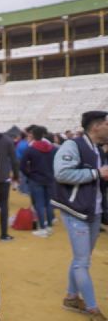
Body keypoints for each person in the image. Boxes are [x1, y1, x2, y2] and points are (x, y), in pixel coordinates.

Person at [52, 111, 108, 320]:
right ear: (96, 126)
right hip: (76, 211)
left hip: (92, 211)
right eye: (107, 124)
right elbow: (62, 173)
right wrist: (97, 173)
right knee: (82, 262)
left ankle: (71, 297)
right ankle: (93, 309)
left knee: (81, 259)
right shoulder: (73, 145)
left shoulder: (96, 149)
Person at [19, 125, 56, 238]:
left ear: (33, 136)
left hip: (36, 179)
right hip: (50, 179)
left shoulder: (30, 149)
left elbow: (22, 165)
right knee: (49, 203)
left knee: (39, 204)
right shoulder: (53, 148)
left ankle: (43, 228)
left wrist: (29, 174)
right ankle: (49, 226)